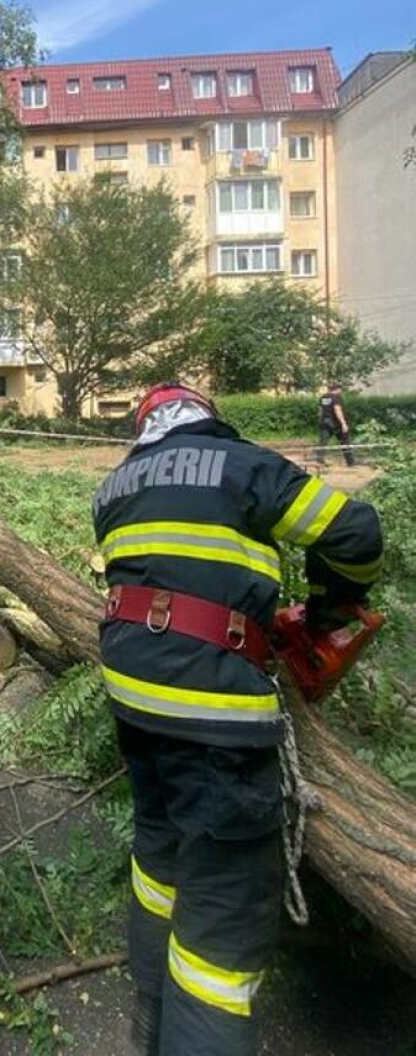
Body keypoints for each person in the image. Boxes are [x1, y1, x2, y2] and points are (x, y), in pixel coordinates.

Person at [92, 382, 382, 1056]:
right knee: (220, 927)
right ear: (209, 420)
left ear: (145, 430)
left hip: (135, 703)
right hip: (215, 718)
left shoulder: (112, 491)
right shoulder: (243, 464)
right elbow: (357, 534)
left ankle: (148, 1029)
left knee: (159, 861)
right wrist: (327, 610)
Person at [318, 383, 355, 466]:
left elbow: (320, 411)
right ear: (337, 389)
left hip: (324, 422)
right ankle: (350, 462)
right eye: (340, 389)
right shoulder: (336, 397)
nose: (341, 391)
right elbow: (337, 410)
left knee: (323, 442)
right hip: (336, 423)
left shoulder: (323, 397)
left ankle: (319, 460)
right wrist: (343, 423)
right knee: (345, 442)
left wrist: (320, 421)